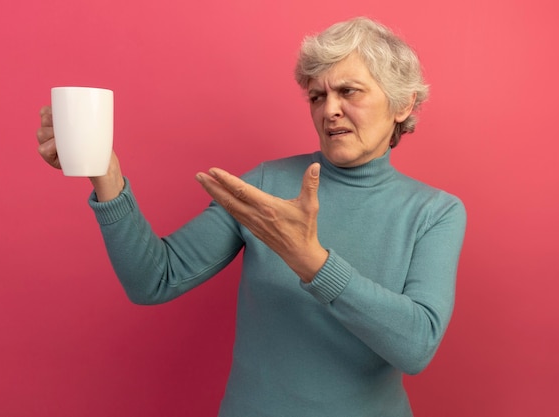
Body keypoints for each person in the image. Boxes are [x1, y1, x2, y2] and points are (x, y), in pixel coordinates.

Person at [37, 17, 466, 417]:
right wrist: (106, 175)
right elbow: (155, 280)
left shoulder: (435, 212)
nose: (329, 109)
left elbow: (416, 347)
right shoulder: (265, 183)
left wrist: (310, 260)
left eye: (348, 91)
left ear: (402, 104)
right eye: (317, 96)